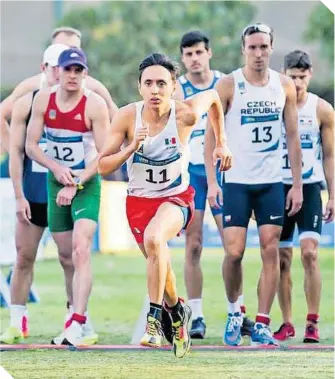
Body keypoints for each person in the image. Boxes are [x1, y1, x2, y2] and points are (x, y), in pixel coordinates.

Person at [98, 53, 232, 357]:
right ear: (139, 87)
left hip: (175, 197)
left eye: (161, 83)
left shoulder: (184, 114)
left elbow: (212, 97)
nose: (155, 90)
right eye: (149, 83)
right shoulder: (126, 117)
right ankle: (177, 313)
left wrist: (222, 141)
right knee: (160, 260)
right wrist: (131, 147)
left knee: (156, 238)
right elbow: (102, 165)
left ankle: (154, 323)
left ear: (173, 86)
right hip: (138, 202)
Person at [204, 23, 303, 346]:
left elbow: (292, 137)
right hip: (236, 182)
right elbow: (211, 136)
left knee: (271, 249)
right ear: (243, 49)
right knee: (233, 252)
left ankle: (262, 321)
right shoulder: (229, 85)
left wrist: (297, 184)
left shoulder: (284, 85)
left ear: (271, 48)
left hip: (271, 181)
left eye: (263, 47)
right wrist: (212, 183)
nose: (258, 54)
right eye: (252, 48)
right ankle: (235, 312)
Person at [25, 48, 110, 346]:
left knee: (81, 249)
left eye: (78, 70)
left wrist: (76, 181)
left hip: (86, 183)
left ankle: (78, 321)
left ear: (85, 73)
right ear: (57, 72)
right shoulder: (43, 99)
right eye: (67, 70)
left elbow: (104, 155)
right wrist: (57, 169)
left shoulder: (94, 105)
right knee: (65, 257)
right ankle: (76, 314)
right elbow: (32, 145)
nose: (72, 76)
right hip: (56, 181)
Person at [174, 30, 253, 339]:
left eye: (199, 52)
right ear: (182, 59)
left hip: (223, 172)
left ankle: (238, 312)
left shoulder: (225, 83)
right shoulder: (178, 90)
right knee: (193, 244)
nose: (194, 59)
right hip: (190, 174)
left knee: (233, 247)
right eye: (188, 54)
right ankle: (196, 316)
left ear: (209, 53)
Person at [0, 44, 69, 344]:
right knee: (24, 256)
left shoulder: (86, 96)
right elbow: (16, 152)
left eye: (64, 67)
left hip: (68, 189)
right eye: (54, 67)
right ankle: (17, 321)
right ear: (44, 68)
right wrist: (18, 195)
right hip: (34, 189)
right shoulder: (26, 100)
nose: (59, 73)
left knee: (70, 258)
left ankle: (75, 319)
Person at [273, 50, 334, 343]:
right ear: (284, 74)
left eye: (302, 76)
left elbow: (330, 155)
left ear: (310, 75)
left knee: (310, 253)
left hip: (309, 187)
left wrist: (332, 195)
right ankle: (286, 322)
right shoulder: (273, 105)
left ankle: (312, 320)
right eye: (292, 76)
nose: (297, 83)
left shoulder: (321, 110)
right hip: (278, 186)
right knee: (282, 258)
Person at [0, 26, 117, 153]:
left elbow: (120, 121)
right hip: (39, 166)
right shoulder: (30, 87)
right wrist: (15, 152)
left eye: (72, 48)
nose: (65, 53)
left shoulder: (94, 88)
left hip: (83, 167)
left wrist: (117, 157)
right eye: (60, 47)